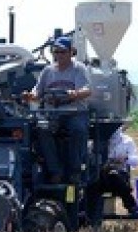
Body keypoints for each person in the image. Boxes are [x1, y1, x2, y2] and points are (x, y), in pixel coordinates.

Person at [24, 36, 93, 183]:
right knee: (42, 130)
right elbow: (37, 92)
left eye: (63, 52)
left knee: (78, 129)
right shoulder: (47, 71)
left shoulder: (79, 69)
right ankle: (55, 171)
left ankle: (75, 170)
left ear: (71, 52)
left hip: (75, 112)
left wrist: (74, 94)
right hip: (52, 114)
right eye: (56, 52)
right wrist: (30, 96)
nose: (59, 55)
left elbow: (87, 90)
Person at [88, 123, 138, 222]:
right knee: (92, 184)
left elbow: (136, 160)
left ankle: (131, 205)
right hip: (102, 177)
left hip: (120, 175)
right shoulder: (96, 143)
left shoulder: (127, 141)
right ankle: (88, 213)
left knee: (113, 175)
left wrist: (125, 158)